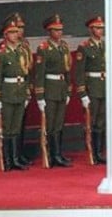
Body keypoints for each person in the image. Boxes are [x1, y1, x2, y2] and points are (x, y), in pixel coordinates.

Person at [0, 19, 30, 171]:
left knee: (16, 127)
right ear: (6, 35)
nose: (15, 34)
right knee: (7, 128)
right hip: (7, 92)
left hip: (20, 91)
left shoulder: (22, 50)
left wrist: (26, 93)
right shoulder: (1, 53)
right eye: (11, 32)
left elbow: (26, 74)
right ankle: (7, 159)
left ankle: (15, 158)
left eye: (16, 31)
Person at [33, 15, 72, 168]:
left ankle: (58, 153)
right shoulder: (44, 49)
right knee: (50, 124)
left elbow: (67, 69)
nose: (59, 33)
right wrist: (40, 95)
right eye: (56, 30)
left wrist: (68, 90)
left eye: (61, 30)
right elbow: (40, 73)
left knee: (59, 124)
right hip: (50, 88)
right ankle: (50, 154)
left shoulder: (64, 47)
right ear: (50, 31)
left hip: (61, 88)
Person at [74, 16, 106, 165]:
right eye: (98, 28)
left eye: (102, 28)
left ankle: (100, 152)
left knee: (101, 121)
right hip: (92, 87)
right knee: (91, 121)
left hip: (104, 86)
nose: (101, 31)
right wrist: (82, 92)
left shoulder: (105, 45)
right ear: (91, 30)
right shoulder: (85, 47)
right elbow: (79, 72)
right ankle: (92, 151)